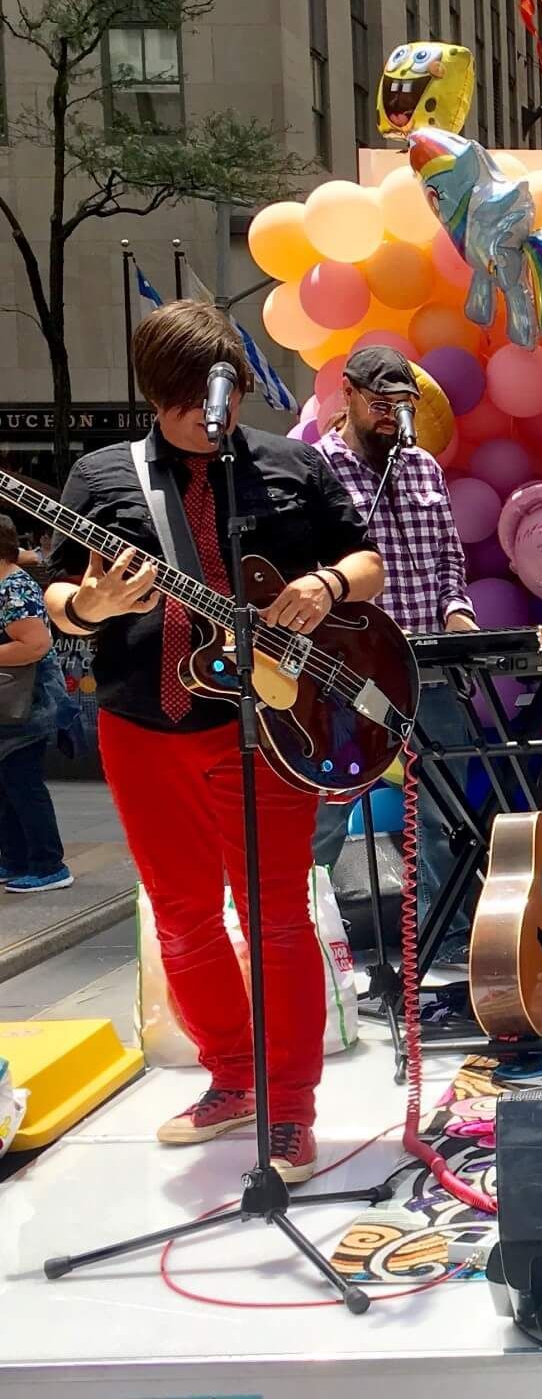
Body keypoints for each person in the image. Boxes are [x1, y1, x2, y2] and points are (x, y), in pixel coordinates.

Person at [43, 302, 383, 1184]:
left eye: (218, 390)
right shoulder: (100, 476)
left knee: (274, 920)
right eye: (187, 395)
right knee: (184, 920)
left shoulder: (289, 464)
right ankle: (232, 1078)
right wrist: (91, 608)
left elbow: (366, 560)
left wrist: (323, 582)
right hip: (142, 727)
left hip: (268, 727)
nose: (208, 410)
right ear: (156, 394)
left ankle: (292, 1109)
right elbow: (57, 594)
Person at [310, 346, 480, 961]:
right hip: (348, 672)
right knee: (328, 812)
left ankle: (446, 941)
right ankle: (310, 939)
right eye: (382, 405)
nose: (393, 418)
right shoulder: (314, 469)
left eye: (403, 406)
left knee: (443, 814)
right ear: (347, 393)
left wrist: (456, 609)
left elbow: (448, 559)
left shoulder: (423, 468)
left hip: (429, 670)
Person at [0, 513, 72, 893]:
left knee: (21, 783)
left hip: (27, 705)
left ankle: (48, 865)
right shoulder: (8, 583)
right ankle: (15, 859)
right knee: (9, 784)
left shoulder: (12, 588)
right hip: (15, 706)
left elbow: (34, 645)